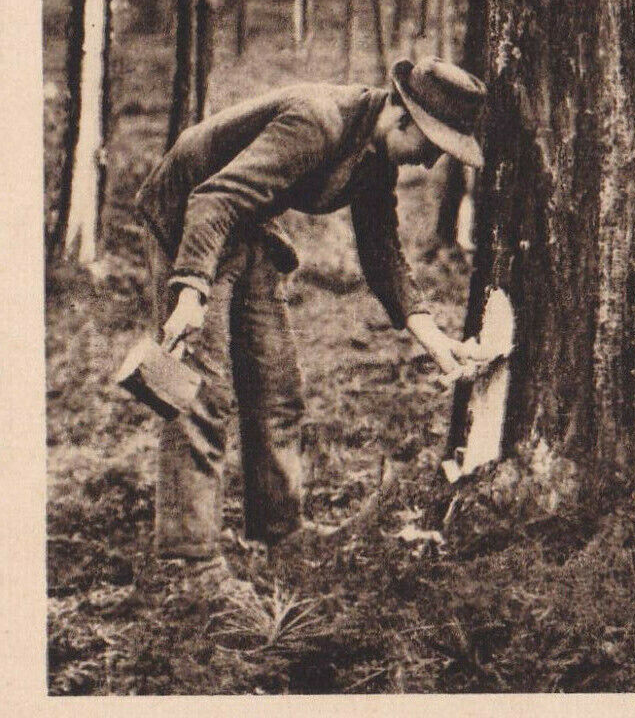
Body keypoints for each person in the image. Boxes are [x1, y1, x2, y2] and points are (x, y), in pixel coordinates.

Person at [134, 57, 486, 593]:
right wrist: (190, 291)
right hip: (190, 217)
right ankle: (189, 561)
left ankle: (280, 533)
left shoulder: (373, 158)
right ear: (401, 116)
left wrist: (435, 340)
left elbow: (381, 250)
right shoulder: (319, 121)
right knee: (200, 391)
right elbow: (214, 197)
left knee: (278, 386)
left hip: (247, 225)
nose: (431, 160)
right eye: (431, 144)